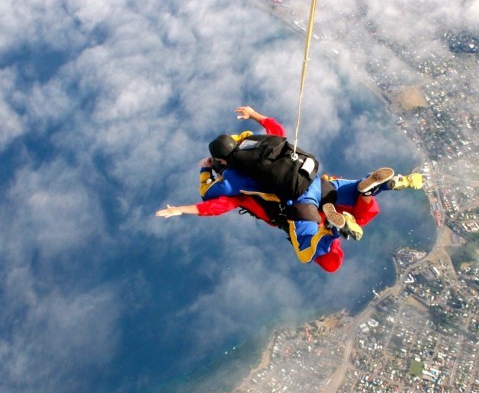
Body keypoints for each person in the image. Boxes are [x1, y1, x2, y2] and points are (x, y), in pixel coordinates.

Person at [156, 106, 423, 272]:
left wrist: (192, 192)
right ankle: (368, 189)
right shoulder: (257, 143)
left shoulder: (236, 180)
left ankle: (331, 228)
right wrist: (254, 115)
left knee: (317, 257)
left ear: (222, 162)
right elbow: (277, 129)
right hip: (320, 182)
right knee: (366, 211)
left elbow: (213, 203)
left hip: (300, 204)